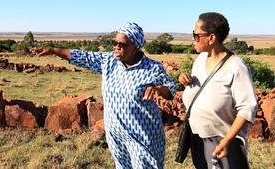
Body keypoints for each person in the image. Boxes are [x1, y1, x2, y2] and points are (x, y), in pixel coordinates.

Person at [31, 22, 177, 169]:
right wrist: (54, 50)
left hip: (142, 136)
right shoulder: (109, 61)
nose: (116, 47)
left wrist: (157, 89)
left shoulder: (152, 67)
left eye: (122, 44)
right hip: (116, 136)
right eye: (114, 42)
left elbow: (170, 88)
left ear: (135, 47)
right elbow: (82, 56)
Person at [179, 12, 257, 169]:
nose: (193, 39)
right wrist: (185, 80)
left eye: (196, 35)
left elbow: (247, 108)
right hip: (197, 137)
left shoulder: (236, 67)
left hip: (221, 141)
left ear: (212, 38)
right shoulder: (200, 60)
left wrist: (226, 141)